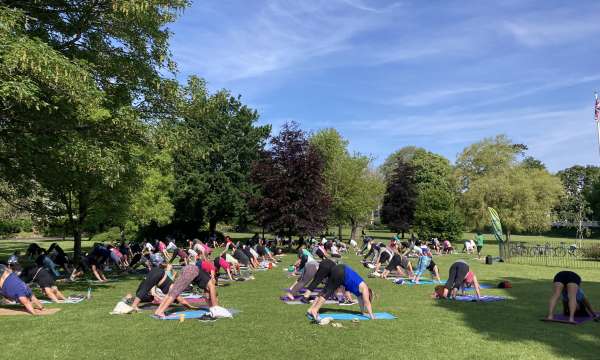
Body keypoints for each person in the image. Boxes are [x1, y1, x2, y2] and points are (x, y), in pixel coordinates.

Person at [306, 264, 375, 322]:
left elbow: (361, 302)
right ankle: (315, 310)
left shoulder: (359, 293)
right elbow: (367, 303)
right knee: (328, 291)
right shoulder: (365, 288)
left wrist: (363, 312)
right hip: (342, 272)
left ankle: (311, 309)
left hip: (339, 269)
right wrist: (371, 316)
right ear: (369, 293)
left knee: (325, 290)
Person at [154, 261, 218, 318]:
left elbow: (207, 298)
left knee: (172, 291)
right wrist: (216, 308)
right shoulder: (211, 285)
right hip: (191, 271)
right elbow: (213, 297)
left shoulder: (206, 288)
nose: (208, 297)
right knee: (175, 293)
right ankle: (161, 312)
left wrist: (211, 308)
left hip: (187, 268)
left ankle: (158, 311)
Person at [127, 264, 194, 311]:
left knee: (144, 288)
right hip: (158, 274)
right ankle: (134, 305)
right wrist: (190, 306)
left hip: (158, 273)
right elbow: (182, 300)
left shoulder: (172, 288)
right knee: (145, 288)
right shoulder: (174, 290)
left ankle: (133, 302)